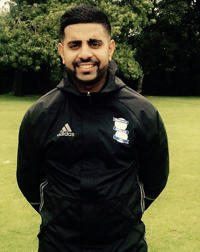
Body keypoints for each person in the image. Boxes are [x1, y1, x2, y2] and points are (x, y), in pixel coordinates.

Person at [17, 5, 169, 252]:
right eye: (74, 45)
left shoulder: (142, 112)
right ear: (61, 51)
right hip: (58, 244)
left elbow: (155, 178)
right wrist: (60, 214)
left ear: (110, 48)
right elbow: (28, 180)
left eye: (94, 43)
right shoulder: (40, 114)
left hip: (124, 245)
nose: (85, 53)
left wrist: (123, 212)